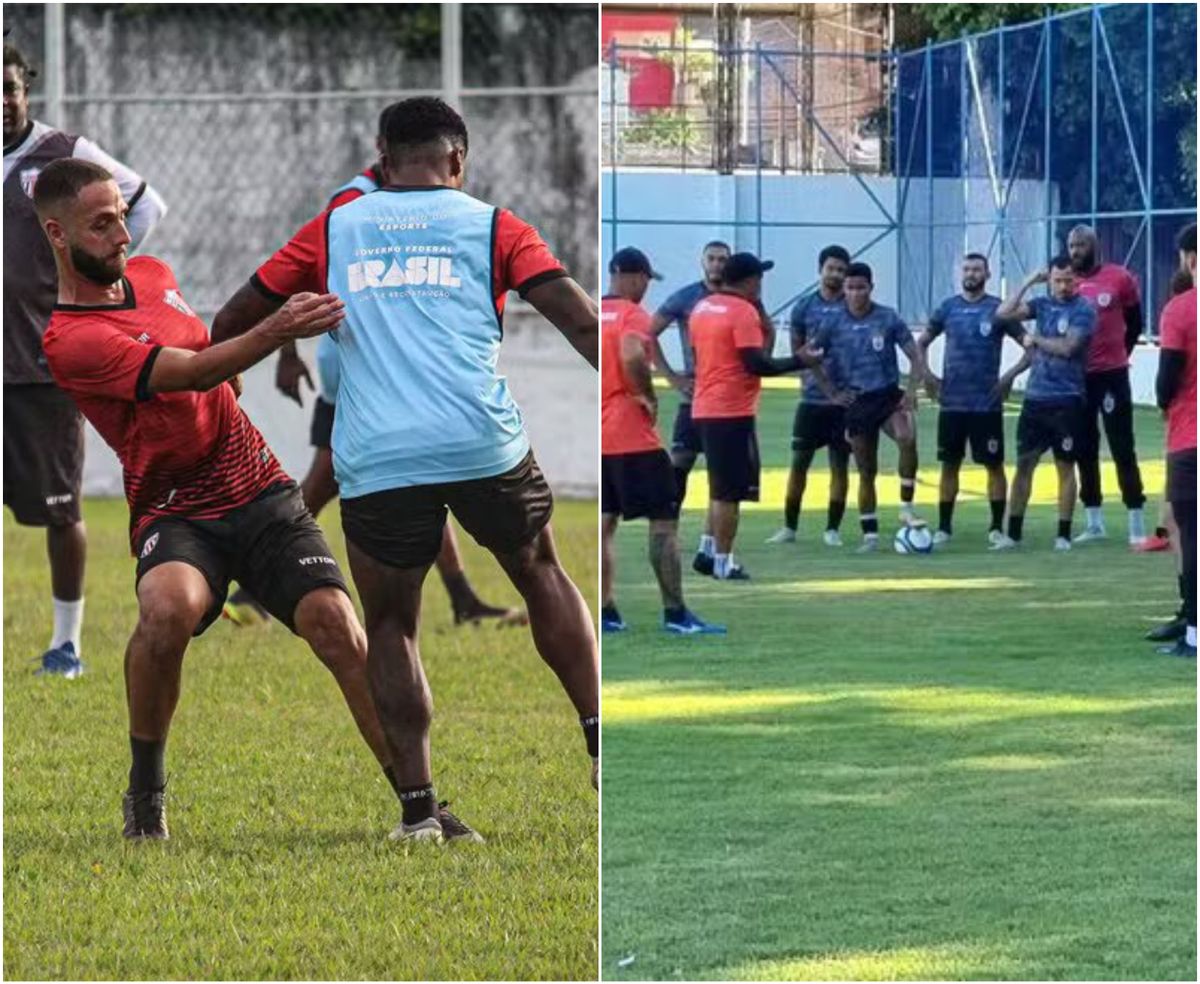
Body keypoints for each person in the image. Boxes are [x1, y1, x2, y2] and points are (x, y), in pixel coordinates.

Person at [212, 97, 601, 830]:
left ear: (381, 160)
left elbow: (232, 322)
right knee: (541, 572)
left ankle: (419, 813)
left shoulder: (336, 225)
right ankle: (598, 739)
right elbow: (581, 321)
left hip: (379, 454)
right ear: (459, 161)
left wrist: (234, 378)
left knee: (391, 623)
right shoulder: (494, 224)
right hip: (481, 441)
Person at [34, 157, 425, 843]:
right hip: (176, 509)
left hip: (259, 488)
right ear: (57, 236)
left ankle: (419, 805)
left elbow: (206, 351)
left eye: (123, 218)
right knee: (167, 610)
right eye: (101, 226)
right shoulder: (72, 341)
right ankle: (146, 793)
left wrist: (237, 376)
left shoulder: (157, 279)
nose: (122, 237)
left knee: (336, 622)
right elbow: (192, 369)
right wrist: (275, 332)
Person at [224, 139, 523, 630]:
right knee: (322, 482)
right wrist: (287, 351)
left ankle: (463, 597)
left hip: (385, 370)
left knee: (420, 477)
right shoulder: (353, 204)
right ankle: (252, 587)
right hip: (359, 369)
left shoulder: (404, 202)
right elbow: (302, 275)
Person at [4, 41, 167, 678]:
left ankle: (66, 645)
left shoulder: (63, 154)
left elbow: (145, 206)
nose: (2, 101)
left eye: (10, 88)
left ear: (27, 90)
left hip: (36, 367)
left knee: (59, 508)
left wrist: (94, 282)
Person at [600, 248, 724, 635]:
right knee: (663, 524)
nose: (644, 288)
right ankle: (676, 614)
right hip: (631, 435)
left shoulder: (589, 311)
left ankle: (606, 612)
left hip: (597, 433)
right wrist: (646, 395)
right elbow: (633, 352)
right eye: (644, 280)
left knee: (605, 523)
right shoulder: (632, 315)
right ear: (630, 276)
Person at [688, 253, 821, 579]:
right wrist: (800, 361)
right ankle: (724, 561)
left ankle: (707, 550)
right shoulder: (742, 311)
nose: (761, 283)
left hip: (705, 405)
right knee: (729, 491)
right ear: (749, 280)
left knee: (719, 485)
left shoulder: (703, 308)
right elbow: (756, 363)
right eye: (759, 277)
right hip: (731, 410)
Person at [813, 262, 928, 552]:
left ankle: (906, 505)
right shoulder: (833, 322)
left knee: (907, 437)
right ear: (844, 290)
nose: (855, 293)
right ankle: (870, 536)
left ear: (871, 288)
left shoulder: (887, 317)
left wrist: (912, 391)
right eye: (850, 288)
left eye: (860, 287)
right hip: (857, 401)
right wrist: (831, 392)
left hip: (888, 395)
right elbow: (812, 358)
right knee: (867, 470)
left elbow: (915, 355)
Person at [918, 253, 1025, 545]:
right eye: (966, 268)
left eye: (977, 269)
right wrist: (926, 375)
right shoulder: (948, 308)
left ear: (987, 274)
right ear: (960, 273)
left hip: (986, 404)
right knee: (949, 465)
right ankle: (944, 527)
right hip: (952, 402)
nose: (971, 273)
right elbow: (922, 342)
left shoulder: (999, 310)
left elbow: (1031, 347)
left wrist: (1009, 376)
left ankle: (994, 527)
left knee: (993, 465)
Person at [992, 256, 1097, 551]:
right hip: (1036, 399)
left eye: (1068, 280)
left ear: (1077, 280)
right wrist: (1027, 282)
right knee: (1024, 465)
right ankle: (1013, 534)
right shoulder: (1041, 305)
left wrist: (1034, 338)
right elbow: (1002, 314)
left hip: (1067, 400)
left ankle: (1063, 534)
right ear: (1049, 279)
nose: (1063, 286)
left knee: (1065, 466)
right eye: (1057, 280)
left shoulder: (1083, 310)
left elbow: (1068, 348)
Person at [645, 241, 730, 567]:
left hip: (724, 399)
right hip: (692, 397)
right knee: (678, 466)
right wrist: (672, 378)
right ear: (702, 261)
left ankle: (708, 547)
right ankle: (670, 538)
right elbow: (649, 333)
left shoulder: (739, 298)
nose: (717, 264)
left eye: (723, 259)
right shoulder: (686, 297)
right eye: (712, 258)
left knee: (720, 476)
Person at [1066, 225, 1148, 545]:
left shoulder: (1119, 278)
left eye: (1081, 245)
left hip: (1112, 376)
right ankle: (1094, 521)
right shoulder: (1065, 282)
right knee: (1085, 447)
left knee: (1121, 446)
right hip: (1079, 377)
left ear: (1094, 246)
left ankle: (1136, 520)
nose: (1075, 251)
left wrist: (1119, 355)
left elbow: (1136, 322)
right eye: (1071, 245)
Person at [766, 244, 852, 547]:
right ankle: (789, 526)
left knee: (839, 465)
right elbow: (800, 355)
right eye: (831, 268)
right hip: (813, 400)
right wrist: (825, 388)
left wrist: (843, 392)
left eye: (842, 270)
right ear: (821, 270)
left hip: (845, 402)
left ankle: (833, 529)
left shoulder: (851, 306)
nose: (836, 274)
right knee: (799, 463)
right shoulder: (803, 307)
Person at [1153, 223, 1196, 659]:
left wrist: (1167, 401)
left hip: (1190, 436)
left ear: (1189, 258)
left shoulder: (1181, 309)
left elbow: (1166, 379)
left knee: (1191, 531)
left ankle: (1195, 633)